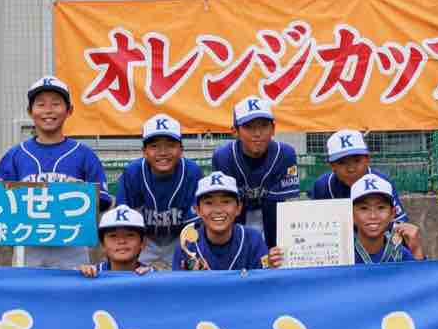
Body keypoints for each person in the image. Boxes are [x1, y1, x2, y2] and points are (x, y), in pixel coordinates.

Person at [0, 76, 109, 268]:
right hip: (28, 242)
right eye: (41, 104)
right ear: (30, 111)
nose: (48, 110)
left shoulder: (84, 155)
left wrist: (83, 194)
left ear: (69, 110)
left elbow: (102, 202)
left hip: (72, 242)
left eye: (56, 104)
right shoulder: (15, 155)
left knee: (73, 287)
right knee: (26, 287)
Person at [210, 96, 301, 248]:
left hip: (272, 215)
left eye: (264, 126)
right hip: (237, 216)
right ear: (235, 131)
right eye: (249, 127)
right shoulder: (223, 156)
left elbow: (283, 208)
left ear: (273, 129)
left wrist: (274, 248)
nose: (257, 133)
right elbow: (226, 206)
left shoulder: (285, 154)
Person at [114, 114, 203, 268]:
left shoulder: (192, 172)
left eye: (170, 145)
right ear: (144, 151)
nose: (162, 152)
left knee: (192, 271)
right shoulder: (133, 172)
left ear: (181, 150)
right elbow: (124, 220)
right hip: (144, 239)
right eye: (154, 146)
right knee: (127, 272)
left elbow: (194, 227)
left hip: (179, 236)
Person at [172, 172, 284, 271]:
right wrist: (193, 281)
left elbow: (262, 283)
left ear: (238, 208)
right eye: (209, 203)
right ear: (197, 210)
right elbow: (178, 286)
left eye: (226, 201)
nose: (218, 210)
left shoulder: (253, 240)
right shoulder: (187, 244)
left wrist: (272, 268)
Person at [351, 173, 424, 264]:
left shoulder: (400, 254)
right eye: (364, 208)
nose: (373, 216)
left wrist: (416, 250)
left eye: (381, 207)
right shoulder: (342, 253)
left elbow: (420, 273)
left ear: (392, 214)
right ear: (351, 214)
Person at [80, 206, 153, 276]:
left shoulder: (152, 275)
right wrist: (81, 276)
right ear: (103, 244)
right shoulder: (91, 274)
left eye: (130, 235)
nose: (122, 241)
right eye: (113, 236)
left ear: (143, 243)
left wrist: (154, 276)